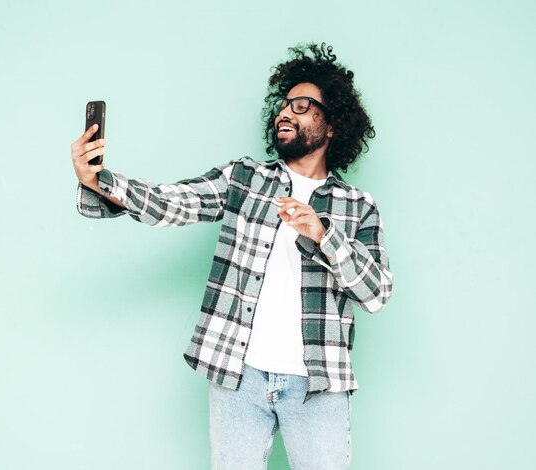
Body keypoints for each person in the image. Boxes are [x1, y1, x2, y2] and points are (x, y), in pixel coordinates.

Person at [71, 43, 393, 470]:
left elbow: (377, 293)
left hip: (318, 384)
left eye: (300, 105)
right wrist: (100, 182)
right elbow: (174, 201)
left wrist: (324, 234)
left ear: (331, 124)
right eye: (282, 106)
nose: (284, 113)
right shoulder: (245, 178)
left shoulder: (357, 206)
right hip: (238, 377)